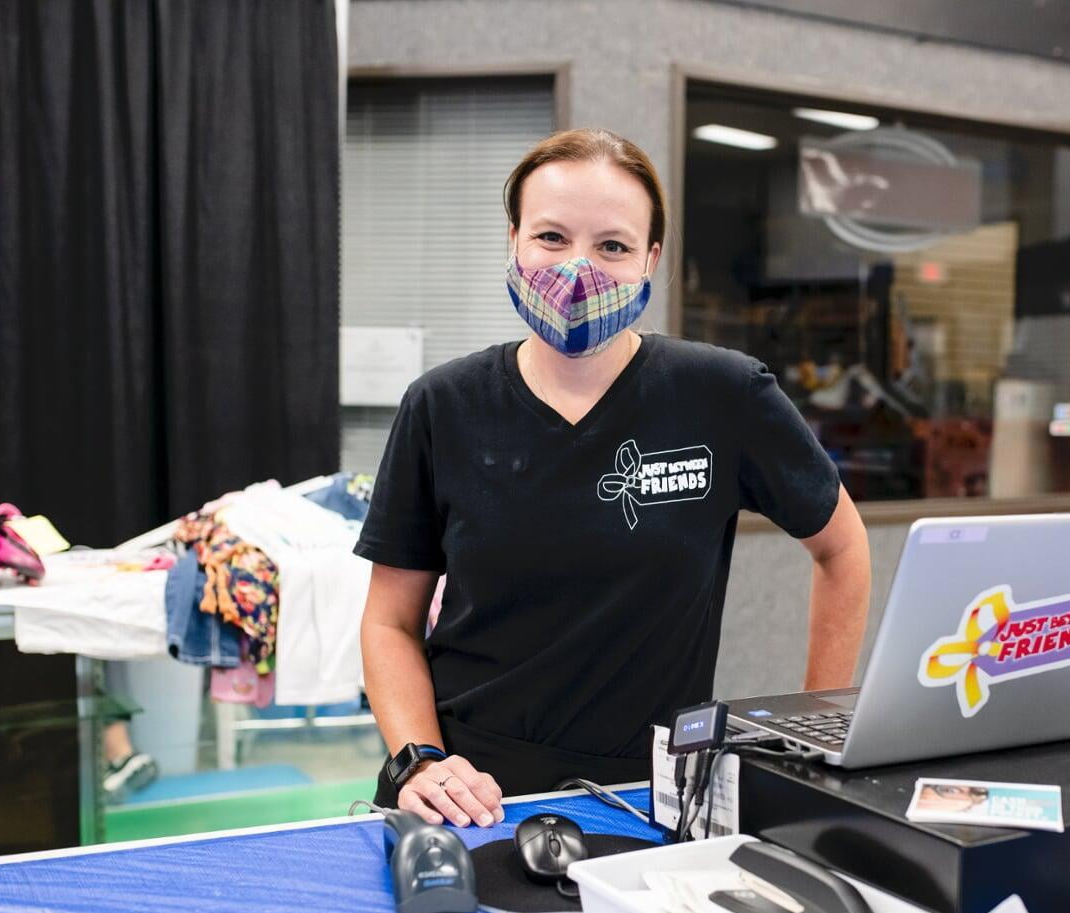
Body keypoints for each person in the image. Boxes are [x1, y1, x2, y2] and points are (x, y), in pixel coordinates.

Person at [355, 128, 871, 828]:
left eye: (613, 246)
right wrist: (419, 758)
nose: (577, 270)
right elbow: (389, 621)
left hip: (651, 799)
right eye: (551, 237)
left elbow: (842, 548)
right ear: (513, 242)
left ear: (651, 258)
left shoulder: (723, 395)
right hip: (467, 794)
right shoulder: (443, 405)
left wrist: (817, 736)